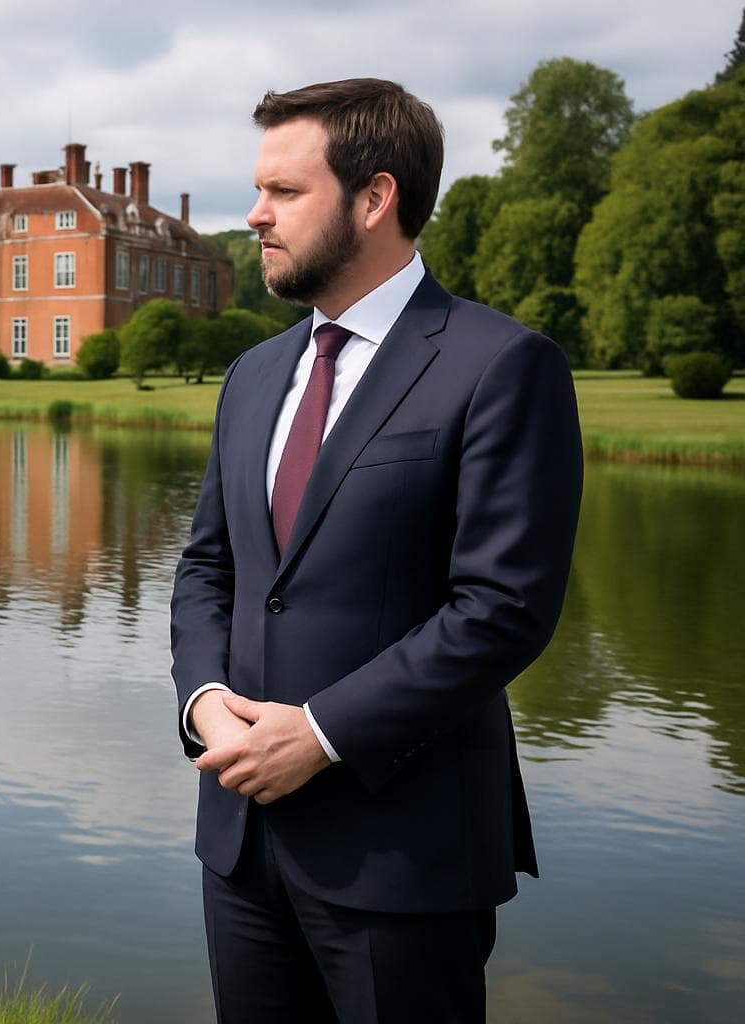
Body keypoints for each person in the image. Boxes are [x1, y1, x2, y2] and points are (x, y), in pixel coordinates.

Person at [170, 79, 583, 1022]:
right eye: (257, 189)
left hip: (405, 849)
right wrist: (202, 701)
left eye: (284, 191)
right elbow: (209, 568)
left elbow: (503, 609)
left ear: (374, 198)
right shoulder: (253, 373)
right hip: (240, 844)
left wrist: (319, 734)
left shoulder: (501, 365)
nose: (255, 214)